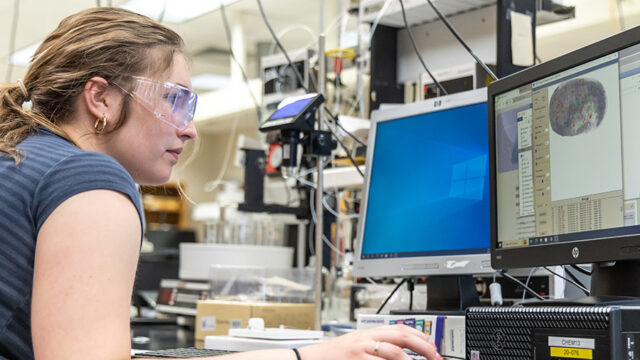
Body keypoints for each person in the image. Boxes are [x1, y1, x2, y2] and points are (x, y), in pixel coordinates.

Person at [0, 7, 441, 360]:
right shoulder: (89, 179)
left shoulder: (20, 157)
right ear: (100, 97)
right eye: (175, 99)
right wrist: (310, 355)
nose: (189, 129)